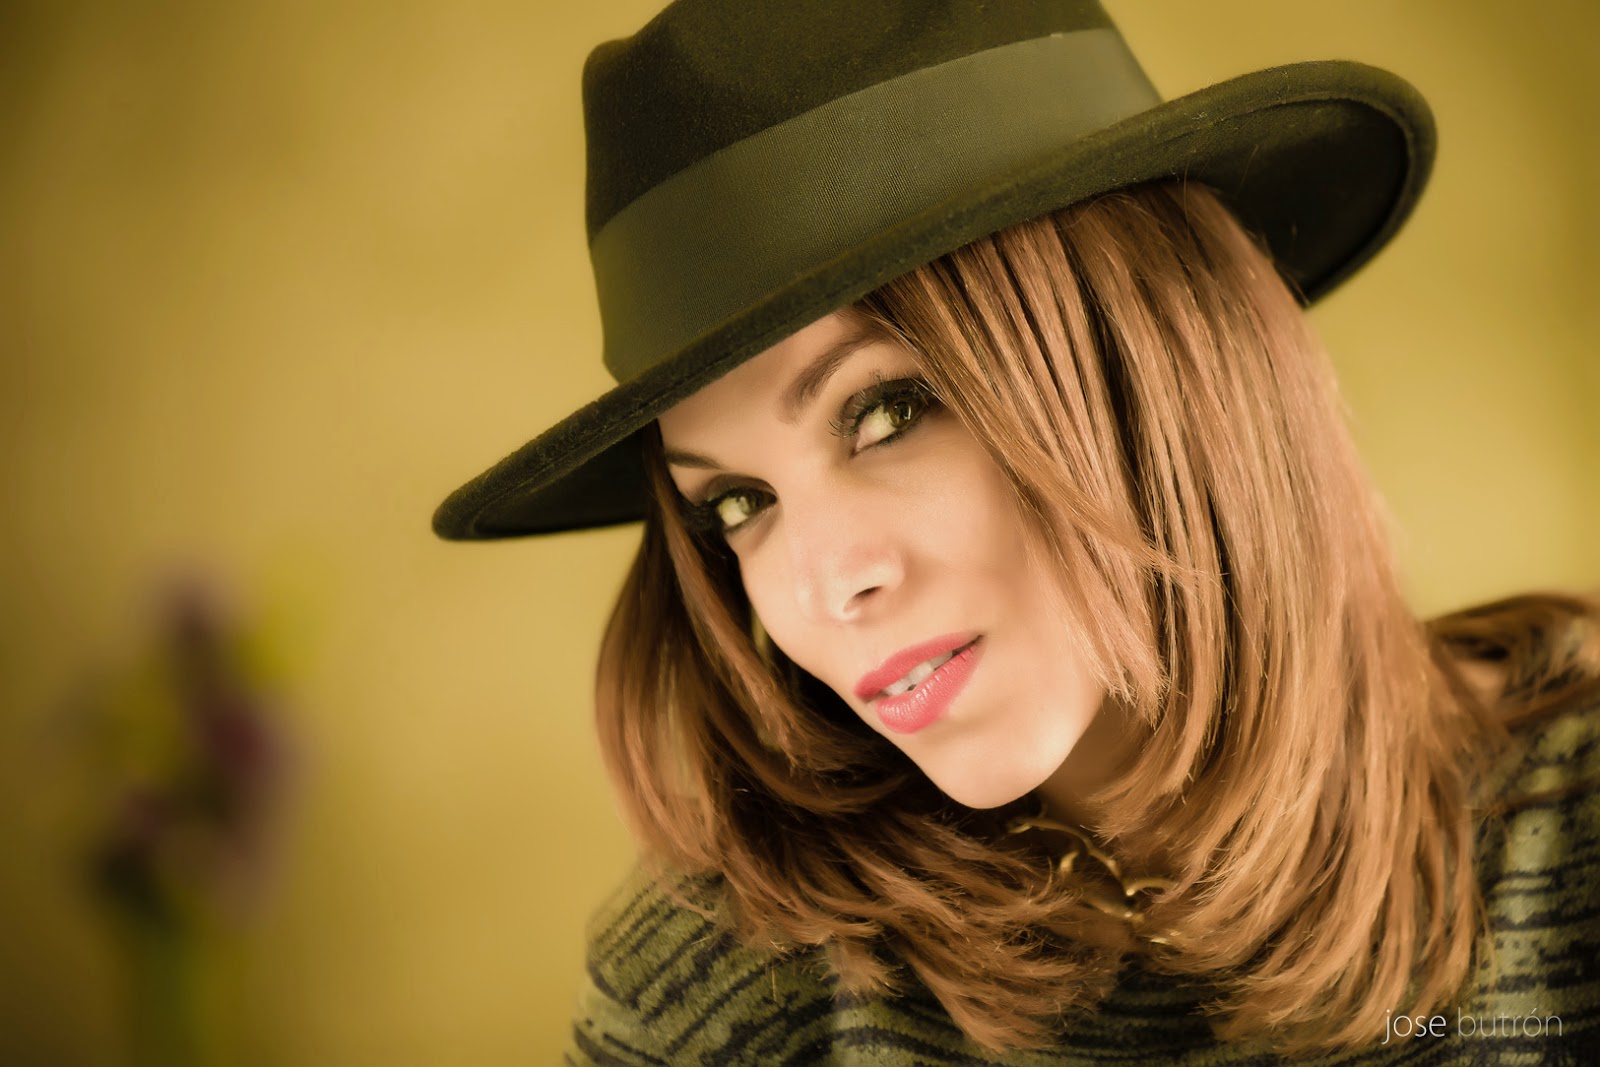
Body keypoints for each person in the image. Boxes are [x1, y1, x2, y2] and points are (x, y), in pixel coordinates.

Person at [433, 1, 1600, 1062]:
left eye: (886, 411)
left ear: (1160, 351)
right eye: (738, 503)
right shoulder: (724, 987)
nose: (822, 586)